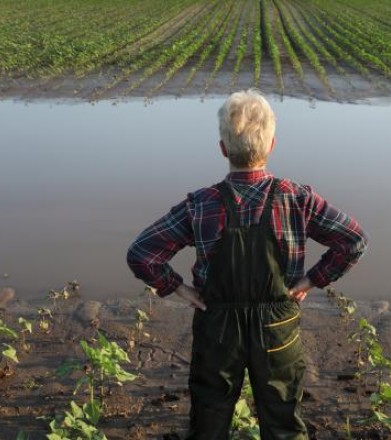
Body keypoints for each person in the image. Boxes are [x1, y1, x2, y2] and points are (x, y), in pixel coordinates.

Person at [127, 89, 368, 440]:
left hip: (218, 324)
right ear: (272, 144)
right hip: (278, 325)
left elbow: (142, 253)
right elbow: (353, 240)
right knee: (283, 421)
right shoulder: (298, 199)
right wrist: (311, 281)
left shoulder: (200, 204)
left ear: (223, 148)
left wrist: (178, 288)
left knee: (209, 421)